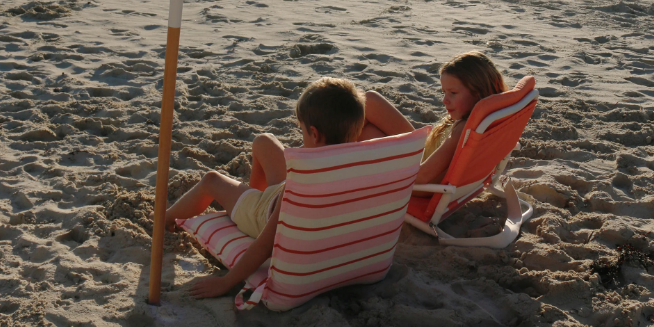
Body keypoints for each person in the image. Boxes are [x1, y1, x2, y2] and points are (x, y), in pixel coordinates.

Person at [167, 77, 366, 299]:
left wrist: (225, 283)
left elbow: (264, 247)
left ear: (315, 134)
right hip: (281, 193)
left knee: (211, 180)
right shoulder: (358, 168)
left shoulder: (300, 187)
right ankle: (250, 195)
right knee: (264, 141)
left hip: (264, 213)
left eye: (302, 132)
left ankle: (166, 218)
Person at [361, 51, 519, 193]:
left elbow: (422, 177)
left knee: (363, 129)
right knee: (369, 102)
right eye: (444, 92)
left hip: (420, 181)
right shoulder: (488, 117)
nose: (444, 100)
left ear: (478, 93)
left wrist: (375, 173)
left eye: (453, 93)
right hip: (424, 154)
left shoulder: (464, 129)